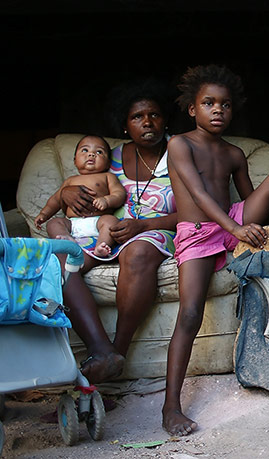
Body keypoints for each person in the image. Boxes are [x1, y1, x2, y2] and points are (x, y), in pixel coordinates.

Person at [163, 64, 269, 436]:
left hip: (232, 222)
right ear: (192, 109)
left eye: (225, 105)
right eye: (209, 103)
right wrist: (236, 228)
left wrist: (251, 225)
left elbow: (247, 201)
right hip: (199, 231)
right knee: (190, 312)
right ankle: (170, 406)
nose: (218, 110)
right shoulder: (179, 144)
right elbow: (196, 193)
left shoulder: (233, 153)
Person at [51, 79, 179, 384]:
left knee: (137, 251)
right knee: (61, 259)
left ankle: (117, 352)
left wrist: (143, 225)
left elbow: (198, 211)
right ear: (124, 125)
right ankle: (101, 349)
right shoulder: (111, 157)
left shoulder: (180, 153)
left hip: (157, 230)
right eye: (137, 117)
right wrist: (66, 195)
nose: (147, 122)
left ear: (165, 119)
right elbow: (76, 187)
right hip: (105, 231)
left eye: (154, 115)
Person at [36, 135, 126, 257]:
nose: (91, 155)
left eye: (99, 152)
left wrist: (107, 200)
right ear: (74, 160)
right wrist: (44, 214)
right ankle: (67, 239)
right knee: (54, 223)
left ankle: (102, 246)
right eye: (85, 150)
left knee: (111, 221)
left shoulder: (107, 177)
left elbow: (119, 194)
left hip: (98, 221)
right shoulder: (70, 181)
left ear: (107, 163)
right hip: (72, 224)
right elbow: (55, 200)